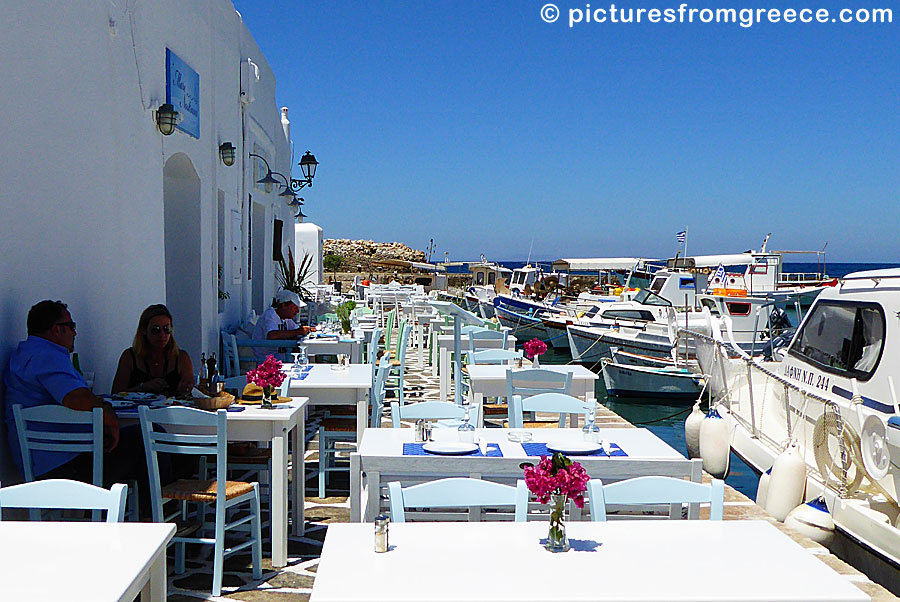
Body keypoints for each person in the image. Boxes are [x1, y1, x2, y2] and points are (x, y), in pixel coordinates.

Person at [3, 300, 150, 505]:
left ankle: (111, 514)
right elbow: (76, 398)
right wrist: (111, 418)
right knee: (148, 437)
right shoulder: (48, 357)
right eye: (71, 326)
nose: (75, 333)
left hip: (36, 466)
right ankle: (155, 518)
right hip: (64, 468)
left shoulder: (22, 355)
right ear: (56, 329)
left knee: (128, 448)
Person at [111, 304, 194, 396]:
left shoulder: (181, 357)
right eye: (156, 330)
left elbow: (192, 391)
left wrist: (185, 389)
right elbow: (115, 394)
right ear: (144, 330)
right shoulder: (130, 357)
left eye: (166, 329)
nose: (162, 335)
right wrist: (143, 387)